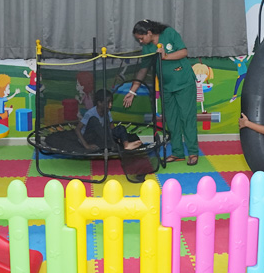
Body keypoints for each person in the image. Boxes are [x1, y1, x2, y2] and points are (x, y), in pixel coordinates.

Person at [124, 19, 199, 165]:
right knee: (171, 120)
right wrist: (132, 92)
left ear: (149, 33)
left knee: (187, 117)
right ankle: (177, 152)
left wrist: (165, 56)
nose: (140, 42)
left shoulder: (169, 33)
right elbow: (143, 70)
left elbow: (184, 52)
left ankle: (193, 152)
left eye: (141, 38)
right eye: (138, 39)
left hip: (184, 83)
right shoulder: (147, 48)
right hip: (166, 87)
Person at [77, 89, 141, 152]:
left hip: (103, 136)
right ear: (99, 103)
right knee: (94, 120)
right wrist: (86, 145)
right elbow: (77, 129)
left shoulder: (107, 112)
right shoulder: (90, 113)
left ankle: (126, 145)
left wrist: (118, 137)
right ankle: (109, 145)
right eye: (108, 103)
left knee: (120, 128)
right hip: (91, 138)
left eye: (111, 102)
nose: (110, 105)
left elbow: (111, 127)